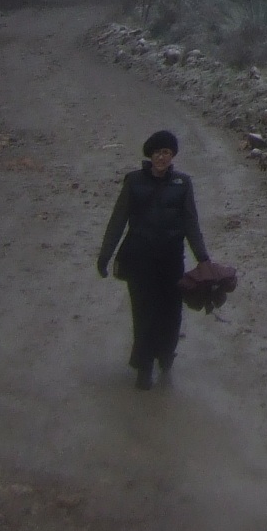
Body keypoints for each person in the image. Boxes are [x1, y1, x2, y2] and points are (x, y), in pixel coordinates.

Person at [97, 130, 211, 390]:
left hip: (171, 260)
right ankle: (144, 366)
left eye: (167, 153)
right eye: (158, 153)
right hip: (140, 260)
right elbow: (118, 221)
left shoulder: (183, 184)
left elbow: (191, 224)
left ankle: (166, 355)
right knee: (144, 313)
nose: (162, 157)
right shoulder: (134, 182)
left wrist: (203, 258)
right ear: (150, 155)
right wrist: (105, 256)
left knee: (171, 312)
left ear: (172, 156)